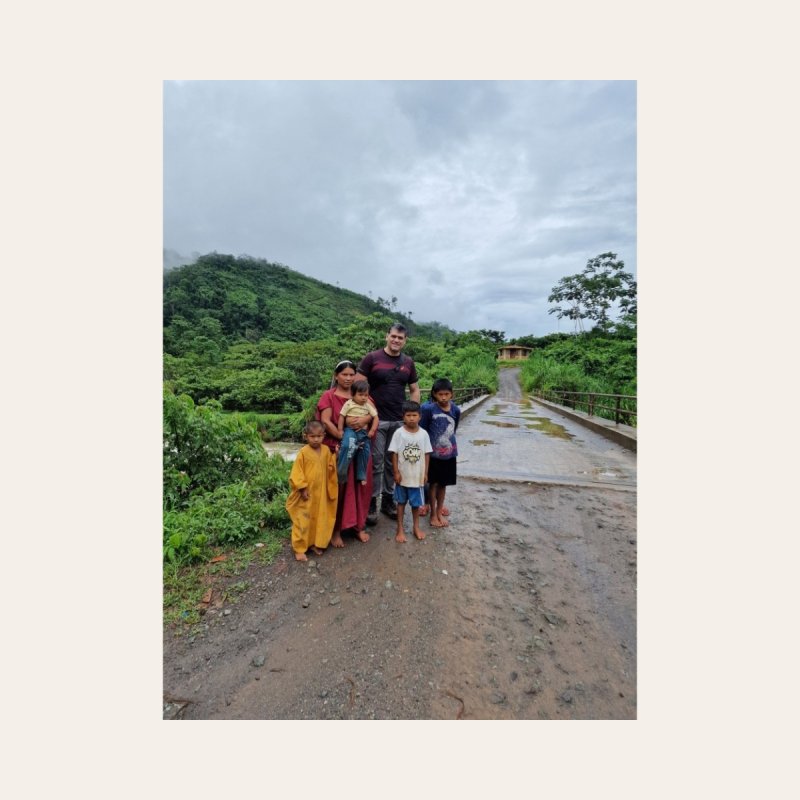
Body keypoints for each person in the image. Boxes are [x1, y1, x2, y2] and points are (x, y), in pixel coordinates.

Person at [355, 323, 420, 524]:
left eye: (400, 338)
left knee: (393, 463)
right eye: (393, 336)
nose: (396, 340)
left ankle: (388, 501)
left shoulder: (408, 362)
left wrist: (413, 414)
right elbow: (358, 389)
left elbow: (415, 390)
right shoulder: (371, 358)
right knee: (375, 463)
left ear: (405, 340)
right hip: (377, 420)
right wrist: (365, 415)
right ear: (386, 337)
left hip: (399, 421)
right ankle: (372, 502)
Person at [316, 360, 374, 546]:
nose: (348, 378)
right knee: (339, 489)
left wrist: (364, 419)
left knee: (361, 487)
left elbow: (373, 415)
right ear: (336, 376)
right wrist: (343, 437)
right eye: (344, 374)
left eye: (351, 374)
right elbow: (326, 421)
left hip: (362, 447)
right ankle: (335, 530)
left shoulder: (361, 393)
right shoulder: (329, 396)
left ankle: (358, 526)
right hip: (339, 448)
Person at [285, 420, 339, 561]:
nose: (316, 439)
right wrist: (302, 488)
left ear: (324, 436)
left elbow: (330, 468)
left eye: (319, 436)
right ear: (305, 436)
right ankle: (299, 548)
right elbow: (297, 472)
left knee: (319, 519)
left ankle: (315, 543)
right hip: (307, 494)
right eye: (312, 436)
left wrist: (336, 456)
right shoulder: (303, 453)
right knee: (303, 520)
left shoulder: (326, 450)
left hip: (321, 495)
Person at [419, 377, 461, 528]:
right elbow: (422, 431)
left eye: (446, 394)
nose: (443, 398)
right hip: (432, 455)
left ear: (452, 394)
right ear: (434, 394)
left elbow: (454, 430)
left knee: (443, 484)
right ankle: (432, 514)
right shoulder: (428, 409)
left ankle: (438, 511)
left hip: (449, 454)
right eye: (440, 394)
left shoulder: (456, 410)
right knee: (433, 483)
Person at [388, 400, 432, 543]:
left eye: (414, 415)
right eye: (408, 415)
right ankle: (399, 529)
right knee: (400, 503)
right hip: (402, 477)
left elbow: (426, 454)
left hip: (417, 478)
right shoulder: (399, 433)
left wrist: (425, 473)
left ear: (420, 416)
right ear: (403, 416)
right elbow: (393, 453)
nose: (411, 418)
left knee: (415, 505)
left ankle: (416, 527)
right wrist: (396, 472)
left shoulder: (424, 434)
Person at [337, 380, 379, 484]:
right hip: (350, 431)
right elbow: (342, 416)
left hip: (363, 433)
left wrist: (372, 430)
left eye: (366, 395)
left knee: (365, 450)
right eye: (360, 395)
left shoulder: (367, 405)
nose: (364, 397)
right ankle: (341, 471)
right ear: (353, 394)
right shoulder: (348, 404)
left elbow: (376, 417)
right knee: (347, 446)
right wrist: (340, 430)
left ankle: (361, 474)